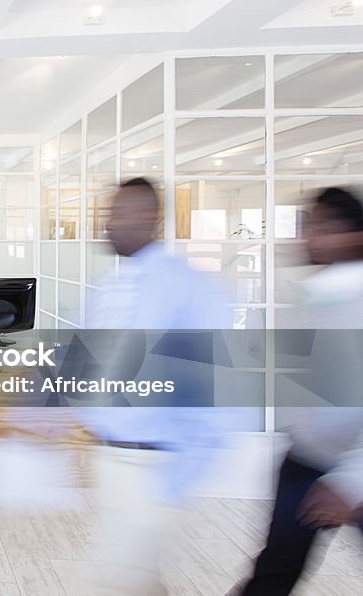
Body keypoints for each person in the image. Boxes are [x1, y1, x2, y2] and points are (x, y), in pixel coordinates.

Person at [85, 177, 230, 595]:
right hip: (111, 457)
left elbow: (220, 388)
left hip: (154, 466)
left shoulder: (190, 287)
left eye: (117, 213)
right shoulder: (112, 285)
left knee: (122, 581)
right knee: (135, 579)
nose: (107, 224)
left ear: (149, 218)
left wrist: (173, 484)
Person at [234, 187, 363, 595]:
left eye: (321, 227)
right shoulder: (320, 294)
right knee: (274, 571)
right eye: (307, 226)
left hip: (353, 465)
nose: (307, 237)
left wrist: (351, 483)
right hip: (307, 456)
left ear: (355, 235)